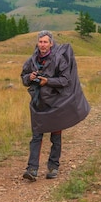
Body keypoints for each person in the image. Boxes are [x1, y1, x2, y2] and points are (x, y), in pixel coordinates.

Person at [20, 30, 90, 181]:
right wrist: (29, 77)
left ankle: (53, 167)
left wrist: (47, 81)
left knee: (55, 137)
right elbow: (23, 79)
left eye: (45, 42)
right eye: (40, 42)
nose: (42, 45)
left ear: (51, 43)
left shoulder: (59, 59)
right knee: (36, 136)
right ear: (37, 43)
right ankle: (32, 169)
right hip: (38, 104)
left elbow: (65, 80)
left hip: (56, 104)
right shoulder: (31, 60)